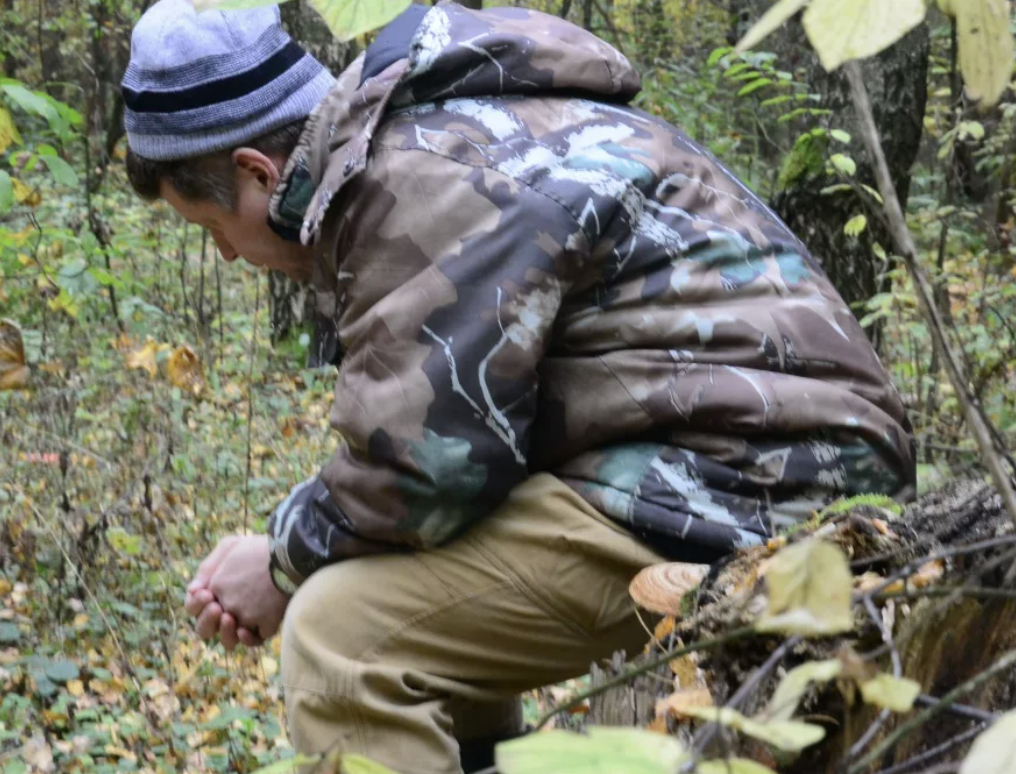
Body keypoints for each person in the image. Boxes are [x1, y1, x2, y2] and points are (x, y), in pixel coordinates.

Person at [121, 2, 915, 771]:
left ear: (256, 174)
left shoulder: (416, 180)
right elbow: (449, 445)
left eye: (211, 230)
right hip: (759, 459)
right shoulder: (458, 131)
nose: (225, 256)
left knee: (341, 635)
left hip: (759, 487)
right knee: (399, 584)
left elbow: (424, 474)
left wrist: (280, 561)